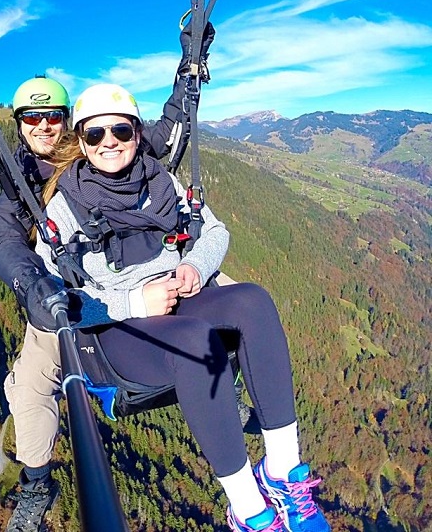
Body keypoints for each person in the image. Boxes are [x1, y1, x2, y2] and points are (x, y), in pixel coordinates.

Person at [32, 83, 331, 532]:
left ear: (136, 132)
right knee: (196, 340)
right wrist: (134, 300)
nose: (109, 141)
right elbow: (50, 298)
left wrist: (192, 265)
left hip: (178, 302)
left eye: (120, 130)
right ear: (81, 141)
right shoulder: (65, 208)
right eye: (95, 135)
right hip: (120, 333)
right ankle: (250, 510)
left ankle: (283, 472)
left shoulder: (160, 181)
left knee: (253, 300)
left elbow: (214, 232)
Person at [0, 27, 215, 531]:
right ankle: (37, 485)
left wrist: (190, 64)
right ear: (19, 124)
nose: (44, 125)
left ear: (68, 120)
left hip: (130, 269)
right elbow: (2, 242)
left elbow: (166, 132)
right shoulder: (20, 185)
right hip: (64, 294)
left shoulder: (99, 143)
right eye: (32, 117)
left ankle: (227, 386)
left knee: (210, 290)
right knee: (30, 386)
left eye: (52, 116)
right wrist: (34, 287)